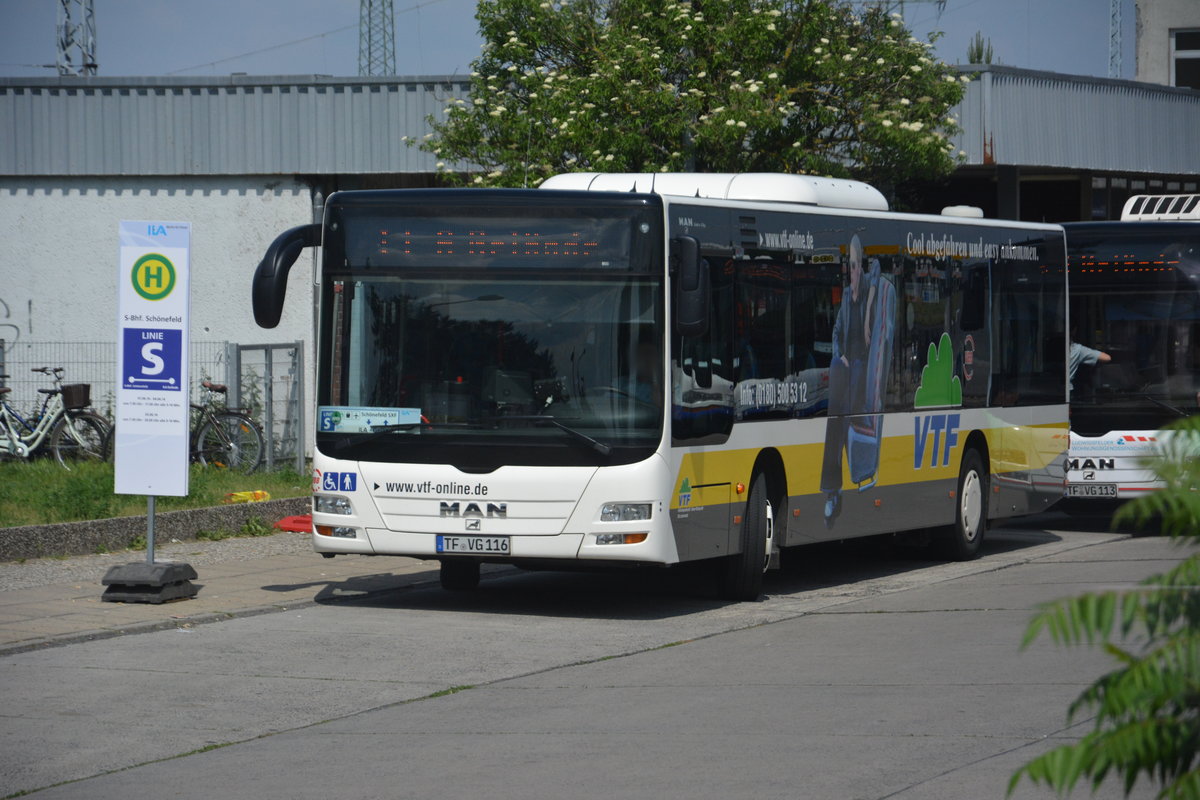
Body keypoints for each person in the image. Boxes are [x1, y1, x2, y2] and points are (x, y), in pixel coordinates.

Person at [821, 235, 869, 526]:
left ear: (861, 266)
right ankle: (831, 490)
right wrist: (840, 356)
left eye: (854, 266)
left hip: (862, 373)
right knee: (835, 421)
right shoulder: (846, 304)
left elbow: (871, 338)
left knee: (847, 419)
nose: (851, 272)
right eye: (848, 266)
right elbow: (837, 334)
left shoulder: (867, 297)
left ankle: (846, 483)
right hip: (846, 371)